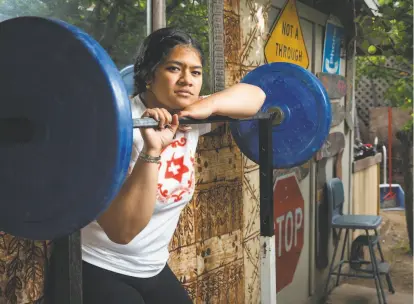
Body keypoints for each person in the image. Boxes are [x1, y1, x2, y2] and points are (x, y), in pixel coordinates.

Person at [81, 27, 266, 303]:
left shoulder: (188, 116)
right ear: (148, 75)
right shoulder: (121, 123)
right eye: (174, 69)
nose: (186, 81)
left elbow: (256, 96)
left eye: (195, 72)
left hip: (152, 266)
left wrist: (208, 106)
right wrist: (152, 151)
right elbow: (122, 232)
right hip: (100, 264)